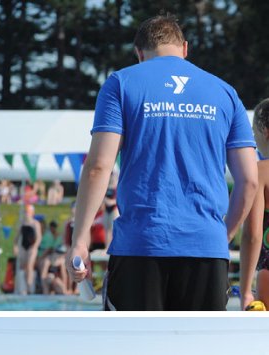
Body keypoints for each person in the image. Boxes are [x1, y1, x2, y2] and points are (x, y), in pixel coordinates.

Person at [67, 15, 259, 311]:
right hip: (207, 249)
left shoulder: (121, 83)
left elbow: (98, 167)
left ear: (139, 52)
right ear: (185, 48)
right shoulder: (225, 93)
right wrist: (223, 234)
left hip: (140, 247)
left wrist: (80, 241)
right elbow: (249, 181)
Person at [243, 98, 269, 310]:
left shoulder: (261, 171)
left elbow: (253, 234)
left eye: (254, 132)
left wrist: (244, 290)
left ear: (265, 131)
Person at [14, 204, 41, 295]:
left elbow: (38, 237)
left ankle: (30, 287)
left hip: (32, 247)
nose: (26, 214)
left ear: (32, 213)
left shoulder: (35, 223)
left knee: (29, 266)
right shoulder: (21, 223)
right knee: (22, 266)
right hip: (23, 247)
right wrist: (15, 247)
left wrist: (35, 247)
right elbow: (17, 237)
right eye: (25, 212)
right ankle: (23, 287)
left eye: (28, 212)